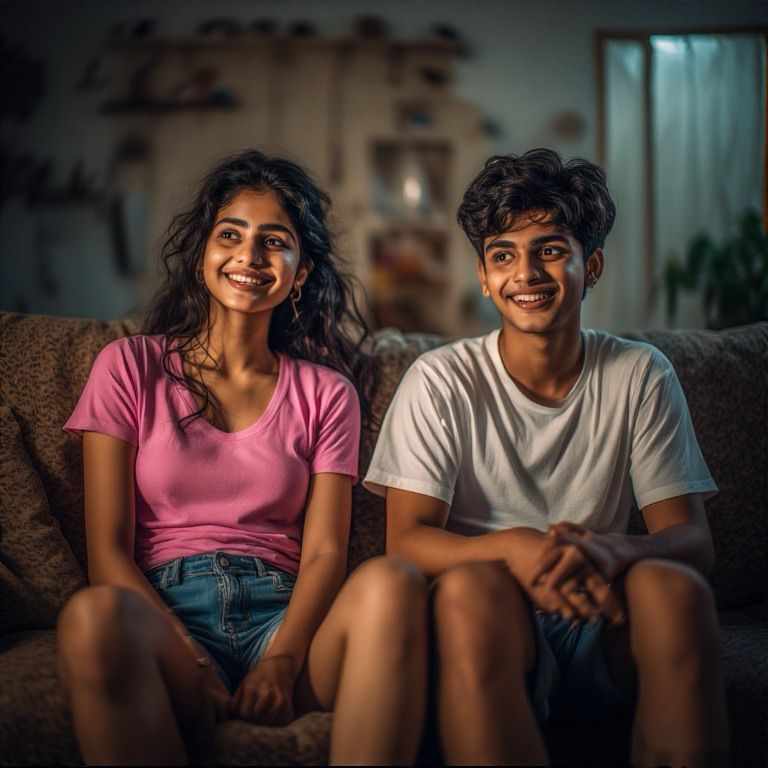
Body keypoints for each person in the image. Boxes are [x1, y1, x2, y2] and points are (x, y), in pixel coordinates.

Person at [57, 149, 427, 766]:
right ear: (204, 251)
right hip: (165, 618)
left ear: (300, 271)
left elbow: (326, 552)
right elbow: (108, 553)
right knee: (92, 615)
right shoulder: (129, 367)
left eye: (274, 242)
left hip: (285, 618)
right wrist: (190, 657)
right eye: (231, 235)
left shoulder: (326, 392)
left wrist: (283, 658)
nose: (249, 258)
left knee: (395, 581)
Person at [364, 149, 729, 766]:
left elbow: (692, 541)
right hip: (486, 612)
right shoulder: (440, 380)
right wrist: (514, 545)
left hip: (598, 603)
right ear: (483, 276)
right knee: (469, 593)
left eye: (551, 250)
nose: (526, 273)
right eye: (503, 255)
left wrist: (615, 548)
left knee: (676, 591)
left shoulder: (639, 373)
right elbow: (406, 541)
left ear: (593, 264)